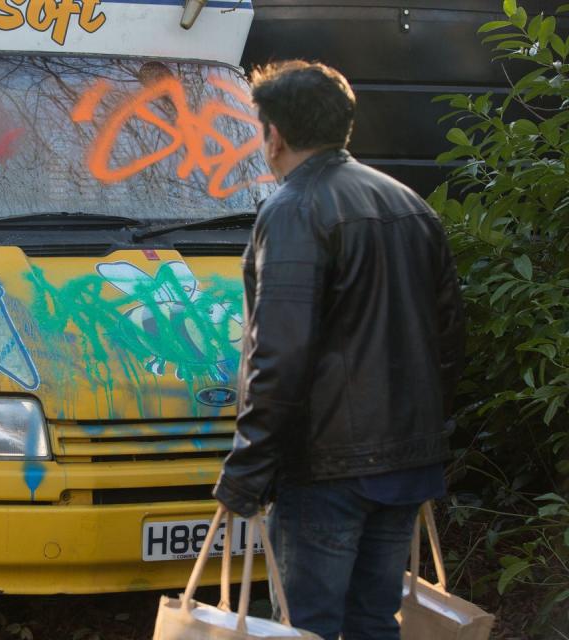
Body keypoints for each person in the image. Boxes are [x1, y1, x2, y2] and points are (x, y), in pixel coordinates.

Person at [213, 60, 465, 640]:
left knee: (308, 627)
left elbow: (281, 355)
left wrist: (244, 475)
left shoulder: (293, 210)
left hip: (327, 472)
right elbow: (449, 338)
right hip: (405, 466)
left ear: (273, 133)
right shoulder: (410, 203)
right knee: (375, 621)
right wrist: (422, 430)